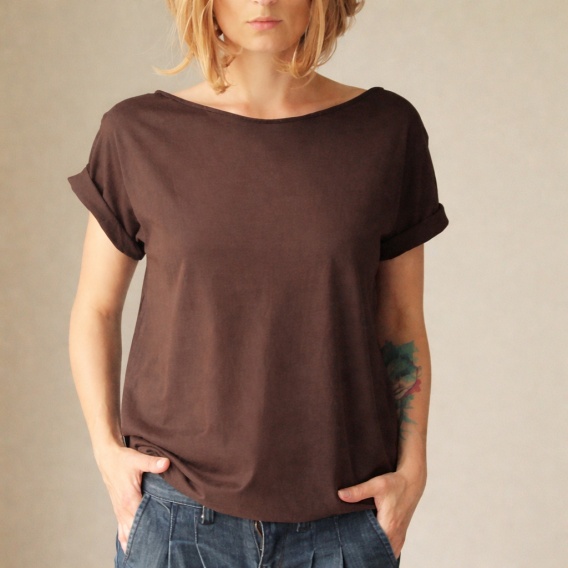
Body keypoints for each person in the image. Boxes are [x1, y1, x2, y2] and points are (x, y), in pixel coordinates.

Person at [67, 0, 449, 566]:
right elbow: (96, 308)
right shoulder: (136, 133)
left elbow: (400, 319)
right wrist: (105, 451)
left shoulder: (386, 130)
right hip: (176, 519)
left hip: (343, 523)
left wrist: (412, 469)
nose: (263, 1)